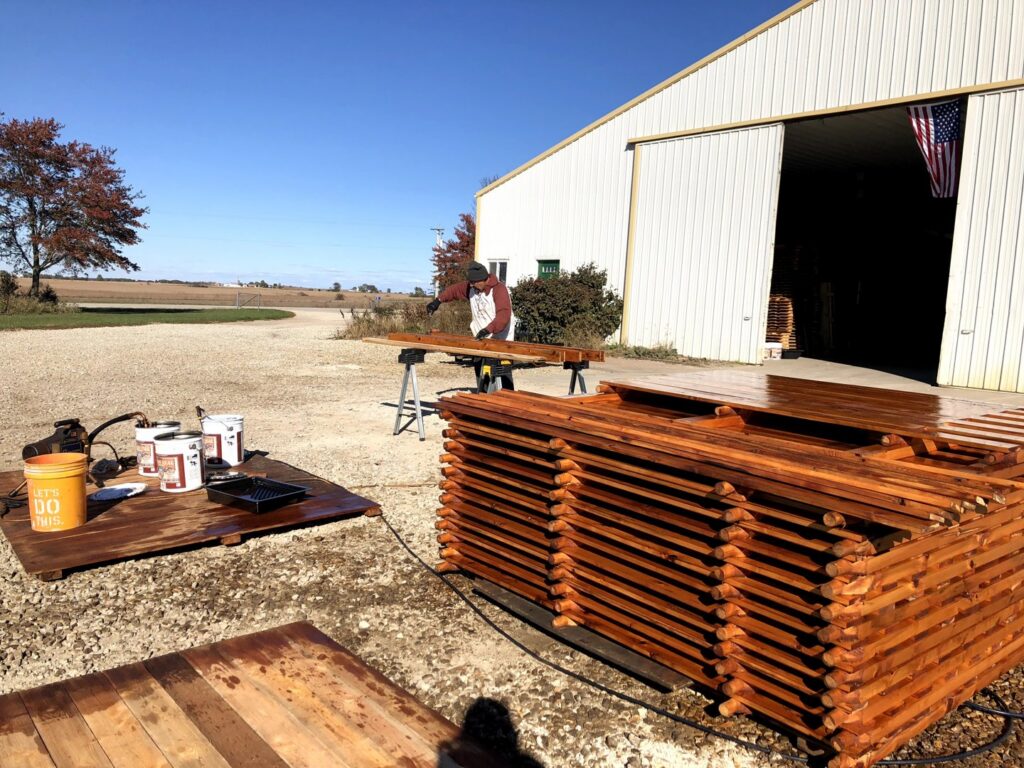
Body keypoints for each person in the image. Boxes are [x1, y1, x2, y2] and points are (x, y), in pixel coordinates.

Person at [427, 261, 517, 391]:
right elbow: (454, 290)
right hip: (480, 340)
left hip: (501, 340)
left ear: (483, 279)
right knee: (482, 374)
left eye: (474, 282)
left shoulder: (499, 290)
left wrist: (488, 329)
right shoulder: (472, 287)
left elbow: (503, 315)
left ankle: (507, 404)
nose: (471, 285)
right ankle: (483, 399)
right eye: (470, 282)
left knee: (502, 376)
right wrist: (437, 301)